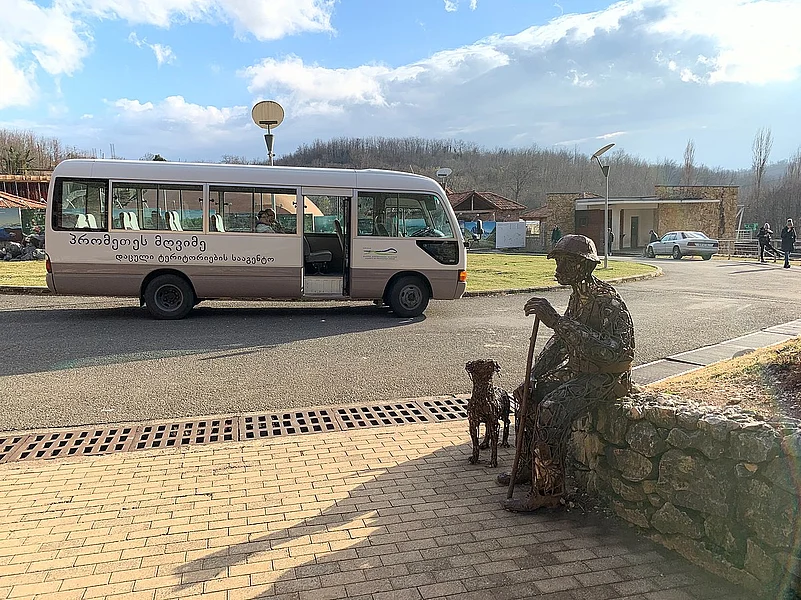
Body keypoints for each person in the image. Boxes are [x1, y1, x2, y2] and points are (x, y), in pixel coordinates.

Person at [499, 234, 635, 512]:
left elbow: (618, 353)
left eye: (565, 262)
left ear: (584, 266)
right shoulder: (578, 298)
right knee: (528, 394)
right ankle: (528, 467)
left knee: (551, 408)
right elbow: (562, 343)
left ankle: (548, 491)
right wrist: (534, 375)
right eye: (557, 262)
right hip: (580, 371)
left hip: (608, 378)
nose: (558, 268)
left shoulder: (607, 301)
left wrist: (557, 322)